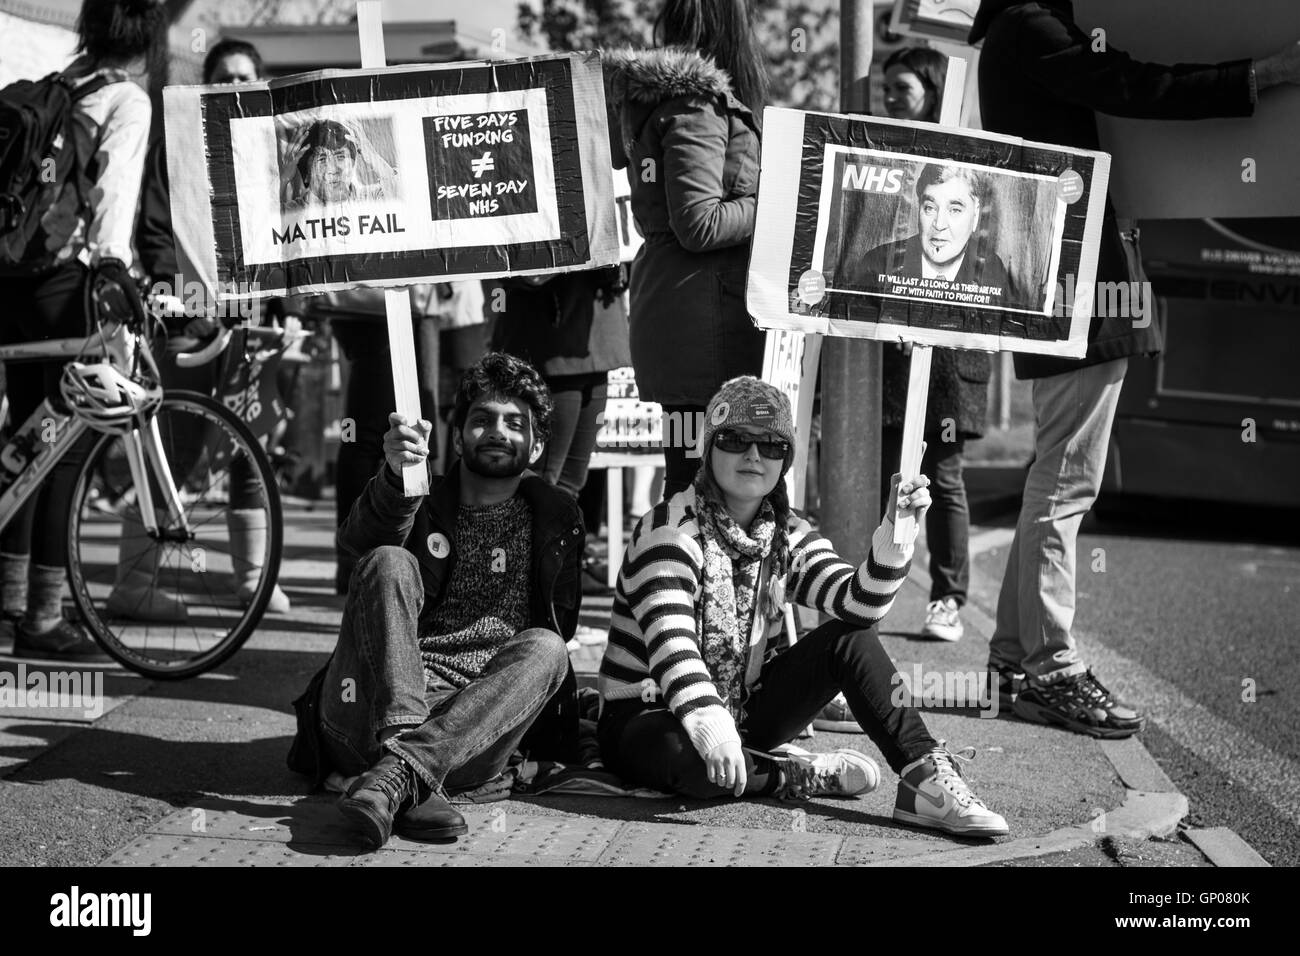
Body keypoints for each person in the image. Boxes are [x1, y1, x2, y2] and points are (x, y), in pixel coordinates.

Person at [970, 0, 1300, 736]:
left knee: (1055, 475)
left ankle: (1012, 660)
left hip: (1078, 270)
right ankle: (1051, 669)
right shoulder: (1029, 25)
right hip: (1076, 274)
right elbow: (1132, 85)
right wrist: (1260, 74)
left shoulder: (1017, 28)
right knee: (1066, 482)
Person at [596, 376, 1008, 838]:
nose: (754, 455)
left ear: (785, 460)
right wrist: (713, 727)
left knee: (849, 637)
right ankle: (793, 774)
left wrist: (896, 534)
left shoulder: (786, 531)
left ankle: (923, 777)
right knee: (690, 762)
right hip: (647, 713)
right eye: (735, 440)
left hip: (743, 710)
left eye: (772, 445)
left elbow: (857, 603)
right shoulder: (670, 530)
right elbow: (674, 650)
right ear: (708, 450)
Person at [286, 353, 584, 850]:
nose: (497, 432)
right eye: (482, 419)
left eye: (515, 423)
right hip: (368, 711)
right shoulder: (419, 494)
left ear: (535, 447)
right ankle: (403, 758)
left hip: (472, 731)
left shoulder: (557, 517)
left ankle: (396, 776)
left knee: (548, 648)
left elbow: (561, 625)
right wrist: (396, 477)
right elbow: (360, 546)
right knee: (389, 560)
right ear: (457, 433)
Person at [1, 0, 166, 660]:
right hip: (65, 284)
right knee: (63, 443)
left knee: (23, 436)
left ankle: (7, 604)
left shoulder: (63, 80)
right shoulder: (125, 100)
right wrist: (116, 269)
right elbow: (114, 193)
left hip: (11, 277)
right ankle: (42, 615)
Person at [124, 35, 295, 619]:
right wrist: (195, 305)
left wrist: (286, 312)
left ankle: (252, 579)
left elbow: (300, 238)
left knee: (256, 448)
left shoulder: (277, 149)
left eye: (245, 78)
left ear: (261, 83)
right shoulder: (176, 143)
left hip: (257, 325)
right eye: (222, 78)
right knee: (172, 444)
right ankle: (134, 582)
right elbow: (152, 233)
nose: (233, 88)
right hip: (189, 323)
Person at [603, 0, 767, 500]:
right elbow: (700, 222)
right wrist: (780, 205)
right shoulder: (695, 106)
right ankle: (679, 577)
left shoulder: (666, 102)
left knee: (696, 483)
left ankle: (680, 574)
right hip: (705, 326)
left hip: (687, 318)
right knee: (705, 490)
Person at [845, 163, 1018, 304]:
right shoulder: (878, 264)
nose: (939, 224)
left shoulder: (992, 271)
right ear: (919, 208)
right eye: (929, 208)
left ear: (976, 215)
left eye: (955, 210)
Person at [285, 120, 384, 209]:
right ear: (306, 174)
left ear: (352, 164)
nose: (333, 169)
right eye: (322, 159)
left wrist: (374, 157)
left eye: (340, 157)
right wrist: (283, 179)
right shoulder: (290, 212)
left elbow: (398, 190)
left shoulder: (372, 198)